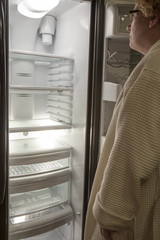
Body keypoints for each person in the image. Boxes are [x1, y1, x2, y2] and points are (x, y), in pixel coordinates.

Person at [84, 0, 160, 239]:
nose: (128, 26)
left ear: (153, 17)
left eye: (132, 15)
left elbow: (130, 156)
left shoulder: (155, 66)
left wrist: (109, 217)